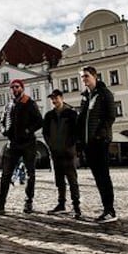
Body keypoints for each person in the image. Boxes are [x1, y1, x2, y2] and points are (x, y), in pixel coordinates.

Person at [0, 79, 43, 215]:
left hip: (28, 143)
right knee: (5, 174)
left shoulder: (29, 102)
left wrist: (28, 130)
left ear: (22, 88)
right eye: (12, 87)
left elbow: (39, 121)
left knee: (30, 174)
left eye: (17, 87)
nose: (15, 89)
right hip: (12, 144)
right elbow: (2, 121)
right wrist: (3, 130)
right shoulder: (8, 105)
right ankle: (0, 204)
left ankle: (28, 202)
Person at [76, 66, 117, 223]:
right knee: (98, 177)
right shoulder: (85, 97)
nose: (84, 79)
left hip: (100, 142)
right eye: (82, 77)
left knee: (103, 176)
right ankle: (106, 208)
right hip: (88, 144)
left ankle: (110, 210)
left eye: (86, 76)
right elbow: (82, 121)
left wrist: (100, 135)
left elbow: (110, 117)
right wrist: (80, 141)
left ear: (95, 76)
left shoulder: (104, 94)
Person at [42, 89, 81, 218]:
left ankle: (76, 205)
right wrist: (51, 145)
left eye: (56, 98)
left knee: (72, 180)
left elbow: (76, 132)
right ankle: (61, 204)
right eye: (52, 99)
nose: (54, 101)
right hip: (56, 152)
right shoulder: (49, 115)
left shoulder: (71, 113)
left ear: (62, 98)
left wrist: (70, 145)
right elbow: (45, 133)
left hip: (68, 152)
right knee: (59, 180)